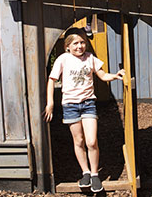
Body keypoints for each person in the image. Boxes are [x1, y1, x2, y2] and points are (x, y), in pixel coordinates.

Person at [44, 31, 124, 193]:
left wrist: (116, 75)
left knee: (91, 141)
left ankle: (95, 175)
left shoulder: (90, 58)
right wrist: (50, 103)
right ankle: (85, 172)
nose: (80, 46)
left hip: (88, 104)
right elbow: (51, 81)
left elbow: (102, 75)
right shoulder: (63, 59)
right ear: (67, 46)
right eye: (75, 43)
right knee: (79, 141)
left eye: (82, 42)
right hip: (70, 105)